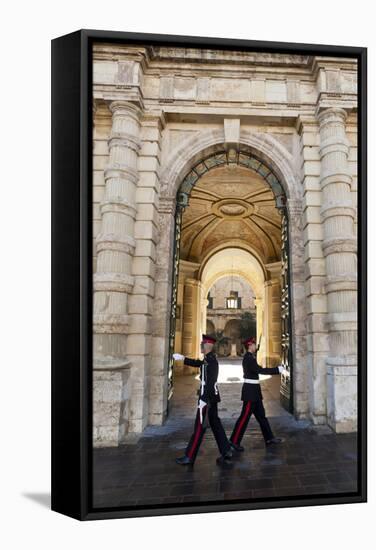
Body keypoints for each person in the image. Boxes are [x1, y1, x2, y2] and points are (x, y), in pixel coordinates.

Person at [172, 334, 233, 466]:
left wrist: (204, 399)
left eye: (202, 344)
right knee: (215, 424)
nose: (200, 346)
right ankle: (226, 450)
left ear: (208, 346)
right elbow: (198, 363)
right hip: (212, 398)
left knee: (199, 428)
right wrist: (183, 358)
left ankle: (189, 456)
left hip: (207, 398)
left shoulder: (211, 361)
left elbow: (210, 382)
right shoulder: (208, 359)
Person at [229, 336, 287, 452]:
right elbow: (260, 370)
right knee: (244, 418)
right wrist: (276, 370)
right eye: (254, 345)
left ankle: (269, 438)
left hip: (254, 392)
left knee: (262, 417)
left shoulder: (250, 357)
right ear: (250, 346)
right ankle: (234, 441)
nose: (256, 346)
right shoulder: (248, 358)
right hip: (250, 393)